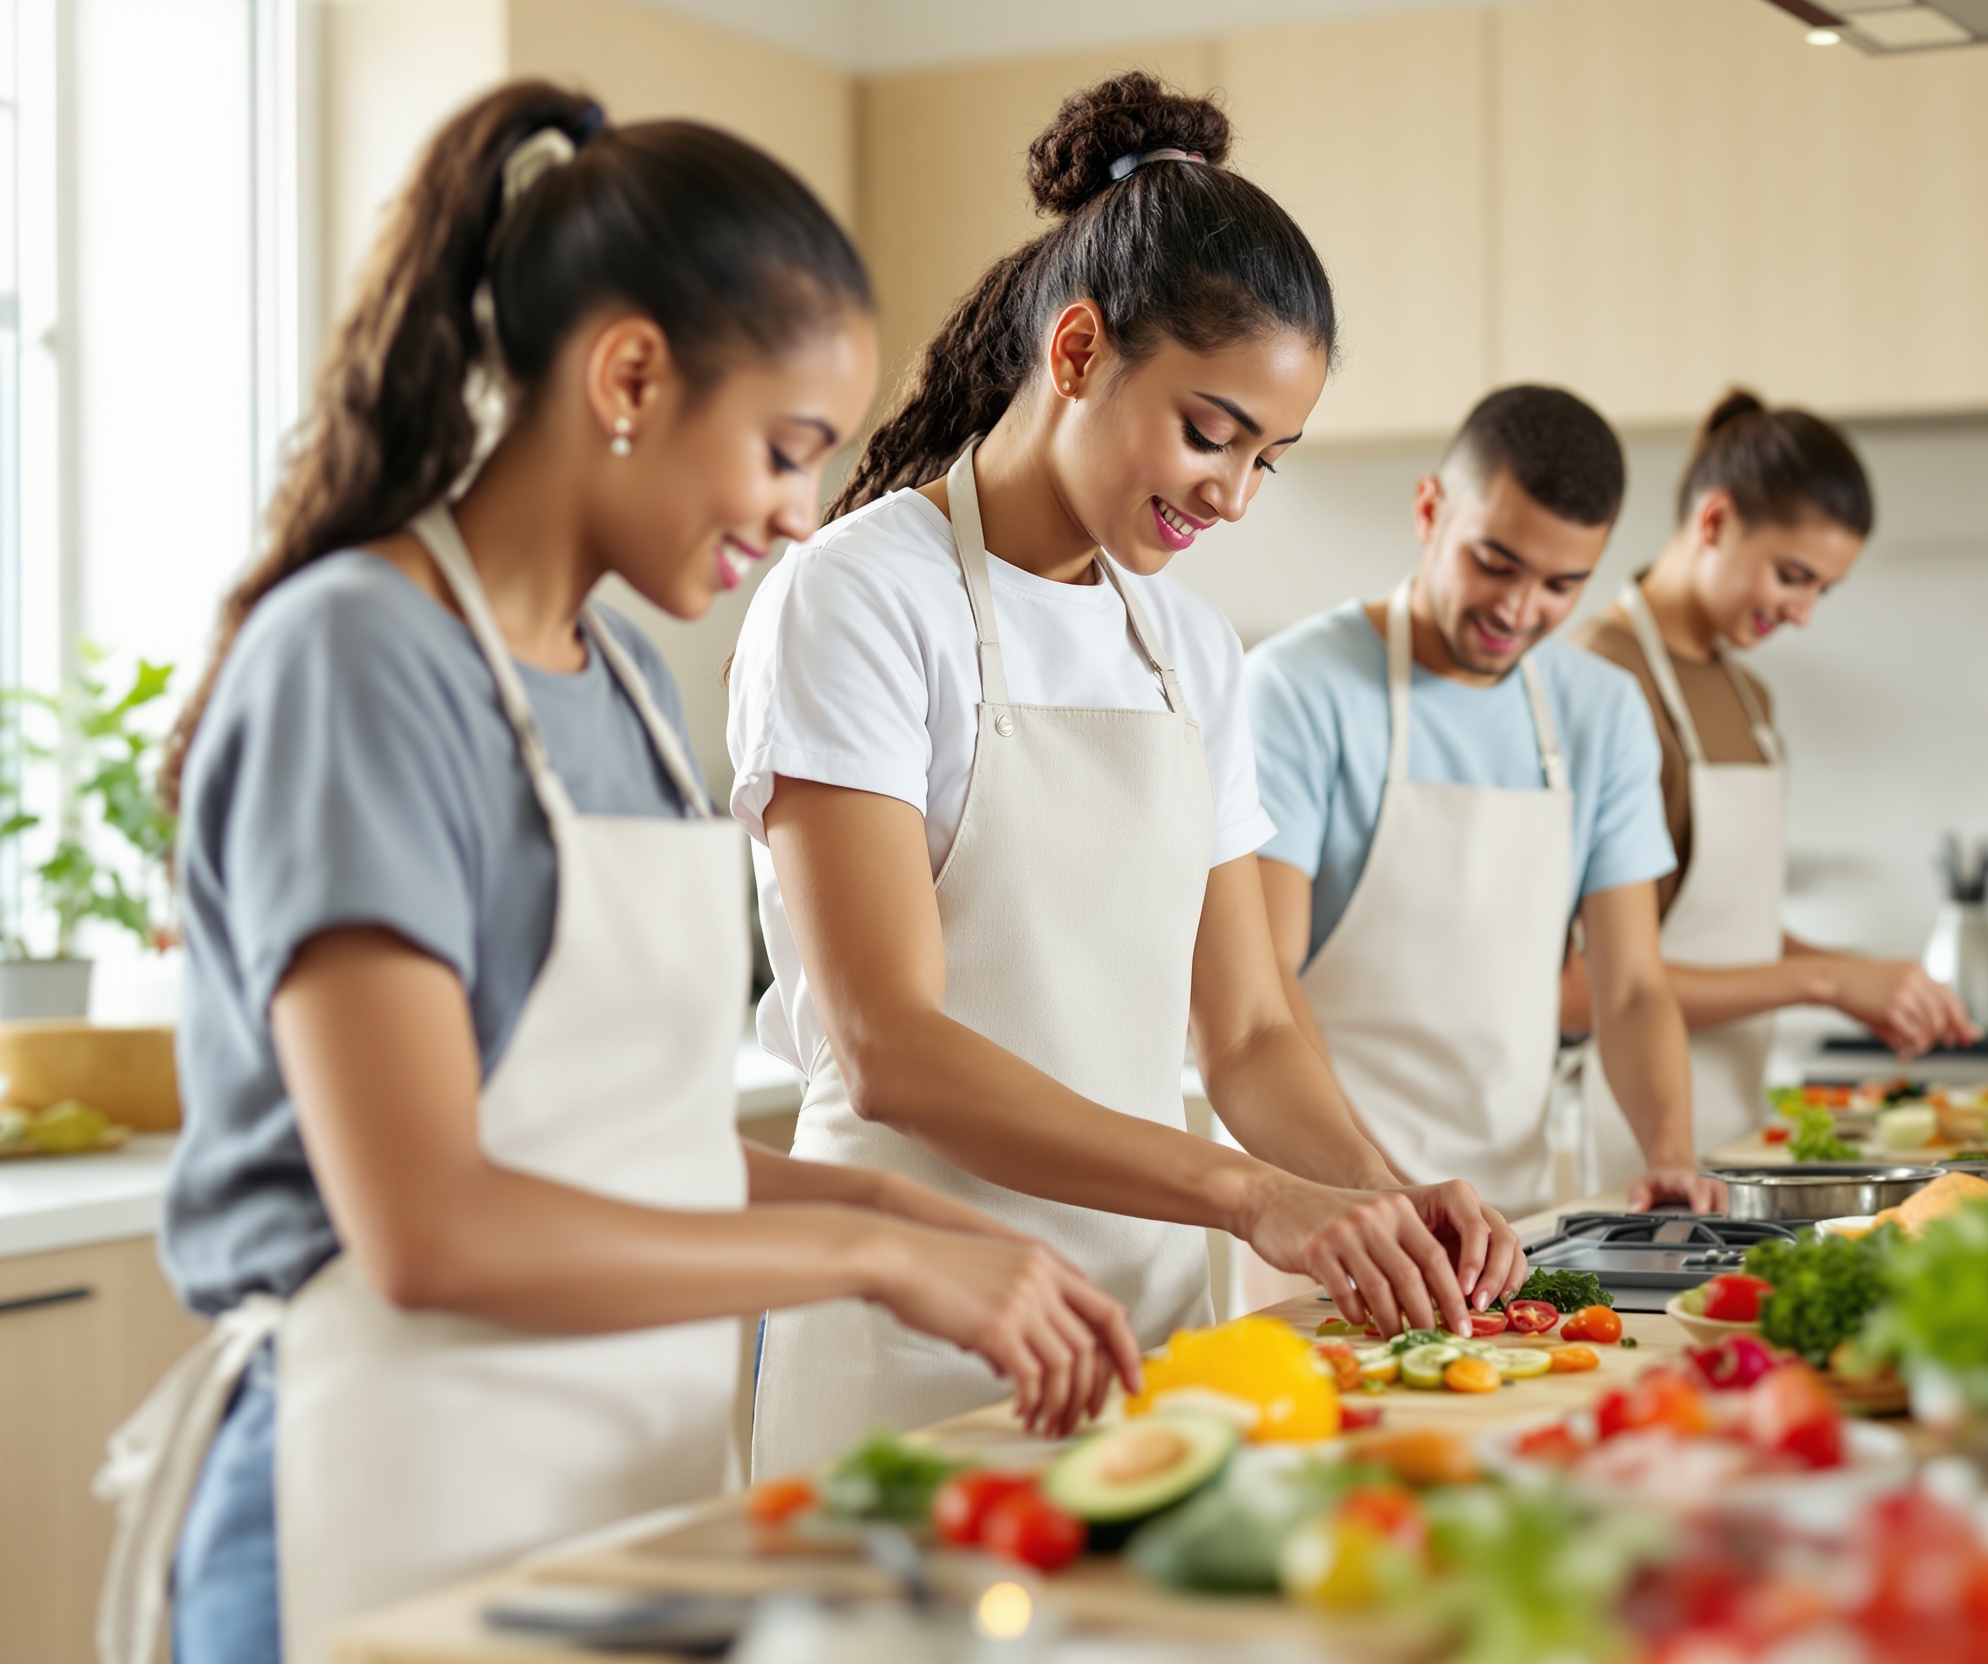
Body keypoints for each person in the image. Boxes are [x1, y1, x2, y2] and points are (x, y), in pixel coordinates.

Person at [103, 84, 1139, 1664]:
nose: (803, 512)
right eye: (787, 451)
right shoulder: (358, 660)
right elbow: (430, 1225)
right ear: (633, 374)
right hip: (362, 1492)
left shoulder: (624, 692)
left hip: (606, 1491)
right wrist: (869, 1251)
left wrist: (907, 1210)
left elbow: (614, 1154)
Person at [733, 74, 1527, 1476]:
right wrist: (1249, 1194)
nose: (1232, 493)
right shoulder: (861, 597)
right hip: (912, 1342)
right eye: (1211, 432)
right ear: (1080, 348)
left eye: (1269, 459)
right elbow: (888, 1046)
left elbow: (1251, 1034)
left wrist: (1390, 1202)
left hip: (1146, 1337)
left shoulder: (1192, 648)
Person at [1248, 386, 1725, 1221]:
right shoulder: (1294, 689)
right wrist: (1381, 1191)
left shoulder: (1602, 710)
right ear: (1430, 510)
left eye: (1560, 585)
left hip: (1517, 1209)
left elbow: (1631, 988)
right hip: (1330, 1205)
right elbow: (1263, 982)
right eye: (1494, 563)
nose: (1518, 609)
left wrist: (1670, 1152)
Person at [1568, 389, 1978, 1181]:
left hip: (1732, 1128)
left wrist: (1861, 975)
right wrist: (1823, 980)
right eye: (1794, 576)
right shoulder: (1598, 677)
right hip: (1624, 1141)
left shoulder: (1750, 701)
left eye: (1823, 589)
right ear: (1714, 521)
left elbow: (1718, 930)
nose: (1804, 613)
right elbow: (1581, 983)